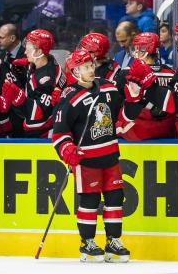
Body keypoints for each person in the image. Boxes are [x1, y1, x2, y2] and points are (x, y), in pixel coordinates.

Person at [52, 49, 131, 263]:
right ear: (75, 71)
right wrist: (67, 150)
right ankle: (87, 242)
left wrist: (126, 115)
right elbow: (59, 133)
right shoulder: (69, 98)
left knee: (115, 198)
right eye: (85, 67)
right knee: (90, 200)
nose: (91, 70)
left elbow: (120, 112)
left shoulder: (108, 87)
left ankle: (113, 240)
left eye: (91, 65)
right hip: (87, 160)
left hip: (111, 155)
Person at [4, 29, 64, 138]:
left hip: (43, 136)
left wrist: (19, 99)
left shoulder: (45, 81)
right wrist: (27, 65)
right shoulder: (47, 60)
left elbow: (39, 116)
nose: (25, 52)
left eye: (28, 48)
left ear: (39, 52)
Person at [117, 33, 176, 140]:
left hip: (136, 134)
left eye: (137, 49)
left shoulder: (126, 73)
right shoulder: (171, 73)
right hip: (166, 132)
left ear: (143, 51)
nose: (135, 52)